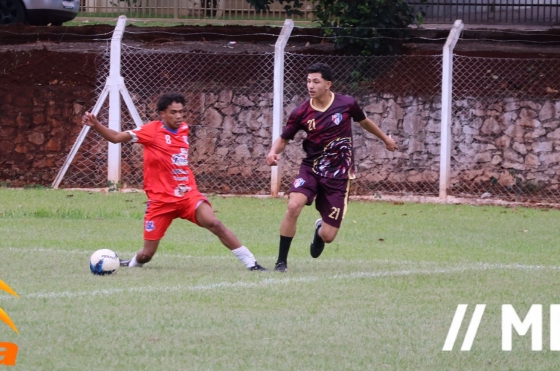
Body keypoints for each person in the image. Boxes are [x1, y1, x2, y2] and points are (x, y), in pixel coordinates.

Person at [83, 93, 267, 271]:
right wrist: (96, 124)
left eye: (181, 111)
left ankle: (251, 263)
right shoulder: (150, 131)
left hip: (187, 195)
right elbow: (116, 138)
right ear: (162, 114)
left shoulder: (183, 128)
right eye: (173, 112)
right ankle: (132, 264)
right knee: (146, 255)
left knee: (213, 222)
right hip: (160, 201)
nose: (179, 116)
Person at [265, 63, 398, 272]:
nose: (310, 86)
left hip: (338, 175)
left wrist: (385, 139)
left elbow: (364, 122)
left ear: (328, 84)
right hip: (311, 168)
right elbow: (283, 139)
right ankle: (281, 262)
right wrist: (273, 152)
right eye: (308, 81)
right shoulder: (301, 112)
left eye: (316, 82)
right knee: (293, 206)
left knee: (328, 236)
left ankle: (320, 230)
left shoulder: (347, 104)